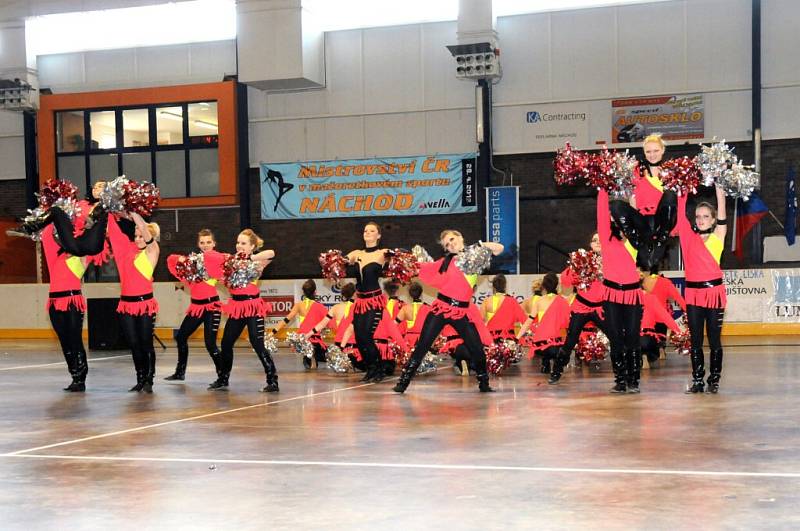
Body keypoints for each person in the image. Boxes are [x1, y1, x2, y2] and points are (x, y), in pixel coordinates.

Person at [393, 231, 503, 393]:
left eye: (452, 239)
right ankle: (403, 383)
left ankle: (484, 384)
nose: (450, 244)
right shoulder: (444, 262)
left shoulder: (474, 256)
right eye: (446, 244)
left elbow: (499, 248)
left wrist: (480, 245)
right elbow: (423, 267)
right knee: (422, 346)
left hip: (462, 312)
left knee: (477, 348)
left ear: (460, 237)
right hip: (440, 309)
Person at [212, 229, 277, 392]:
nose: (239, 246)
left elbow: (272, 253)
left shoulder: (257, 262)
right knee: (226, 343)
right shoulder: (231, 262)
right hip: (237, 307)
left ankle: (272, 381)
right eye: (238, 242)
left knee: (257, 343)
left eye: (243, 243)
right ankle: (223, 378)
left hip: (253, 306)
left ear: (252, 246)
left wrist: (248, 258)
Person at [678, 185, 727, 393]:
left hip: (714, 294)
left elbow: (722, 206)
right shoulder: (688, 237)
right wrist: (681, 188)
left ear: (713, 219)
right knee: (695, 339)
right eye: (698, 216)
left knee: (714, 339)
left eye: (706, 216)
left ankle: (714, 380)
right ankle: (698, 380)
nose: (701, 219)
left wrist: (719, 187)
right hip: (693, 295)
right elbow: (680, 214)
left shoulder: (718, 235)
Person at [107, 212, 160, 393]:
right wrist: (111, 210)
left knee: (146, 342)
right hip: (126, 305)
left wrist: (133, 213)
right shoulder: (125, 250)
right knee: (134, 343)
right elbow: (113, 231)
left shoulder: (152, 252)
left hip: (145, 304)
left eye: (140, 236)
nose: (138, 239)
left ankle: (149, 380)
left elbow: (144, 229)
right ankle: (140, 377)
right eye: (135, 236)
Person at [609, 134, 678, 271]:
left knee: (670, 195)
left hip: (662, 220)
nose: (652, 155)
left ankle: (661, 239)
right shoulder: (636, 170)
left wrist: (674, 229)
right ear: (644, 152)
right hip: (643, 221)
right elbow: (632, 197)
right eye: (648, 151)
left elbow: (678, 202)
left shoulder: (672, 170)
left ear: (663, 150)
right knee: (615, 205)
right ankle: (636, 241)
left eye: (656, 151)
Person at [164, 229, 225, 381]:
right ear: (198, 244)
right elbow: (171, 260)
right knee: (181, 337)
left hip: (212, 307)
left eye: (209, 242)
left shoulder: (218, 261)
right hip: (196, 307)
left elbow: (224, 266)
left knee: (210, 344)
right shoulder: (193, 264)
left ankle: (223, 376)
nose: (205, 245)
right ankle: (180, 372)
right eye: (202, 242)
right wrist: (184, 261)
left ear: (214, 244)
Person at [600, 188, 644, 393]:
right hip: (611, 295)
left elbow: (635, 212)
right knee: (616, 337)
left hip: (633, 293)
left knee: (633, 337)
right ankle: (620, 379)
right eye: (613, 214)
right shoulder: (606, 236)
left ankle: (634, 379)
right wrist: (602, 186)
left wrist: (632, 191)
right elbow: (600, 210)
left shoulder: (635, 237)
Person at [40, 222, 94, 391]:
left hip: (72, 302)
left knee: (75, 339)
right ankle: (74, 375)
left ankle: (81, 378)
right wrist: (53, 208)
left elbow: (91, 240)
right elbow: (47, 234)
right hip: (54, 303)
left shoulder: (82, 255)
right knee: (64, 342)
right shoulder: (53, 256)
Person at [344, 222, 392, 382]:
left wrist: (397, 256)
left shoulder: (382, 252)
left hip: (374, 300)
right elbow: (340, 261)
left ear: (378, 235)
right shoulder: (356, 253)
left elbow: (401, 256)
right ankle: (371, 368)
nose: (367, 233)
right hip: (360, 301)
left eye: (372, 231)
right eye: (365, 230)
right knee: (359, 337)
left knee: (367, 335)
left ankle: (379, 369)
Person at [558, 233, 608, 369]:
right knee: (571, 340)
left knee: (616, 338)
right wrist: (574, 268)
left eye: (601, 240)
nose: (598, 242)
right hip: (581, 307)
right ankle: (556, 371)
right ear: (590, 244)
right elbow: (566, 281)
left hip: (601, 309)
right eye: (594, 240)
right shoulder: (583, 260)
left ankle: (622, 376)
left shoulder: (612, 260)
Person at [516, 272, 571, 382]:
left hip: (540, 347)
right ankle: (555, 372)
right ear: (557, 286)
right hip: (556, 346)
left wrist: (517, 337)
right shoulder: (563, 302)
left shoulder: (539, 301)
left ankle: (546, 362)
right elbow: (567, 323)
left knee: (544, 342)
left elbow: (529, 321)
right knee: (563, 350)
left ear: (544, 286)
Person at [275, 279, 329, 369]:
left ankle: (310, 354)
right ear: (315, 292)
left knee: (308, 354)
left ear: (303, 292)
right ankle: (314, 354)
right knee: (325, 354)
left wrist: (272, 332)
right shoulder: (320, 306)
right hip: (314, 338)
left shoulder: (299, 305)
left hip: (303, 339)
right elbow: (329, 322)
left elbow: (286, 320)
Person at [481, 274, 527, 343]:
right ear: (505, 286)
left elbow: (479, 322)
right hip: (508, 340)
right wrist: (517, 338)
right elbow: (525, 321)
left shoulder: (487, 301)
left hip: (490, 340)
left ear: (493, 287)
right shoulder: (512, 301)